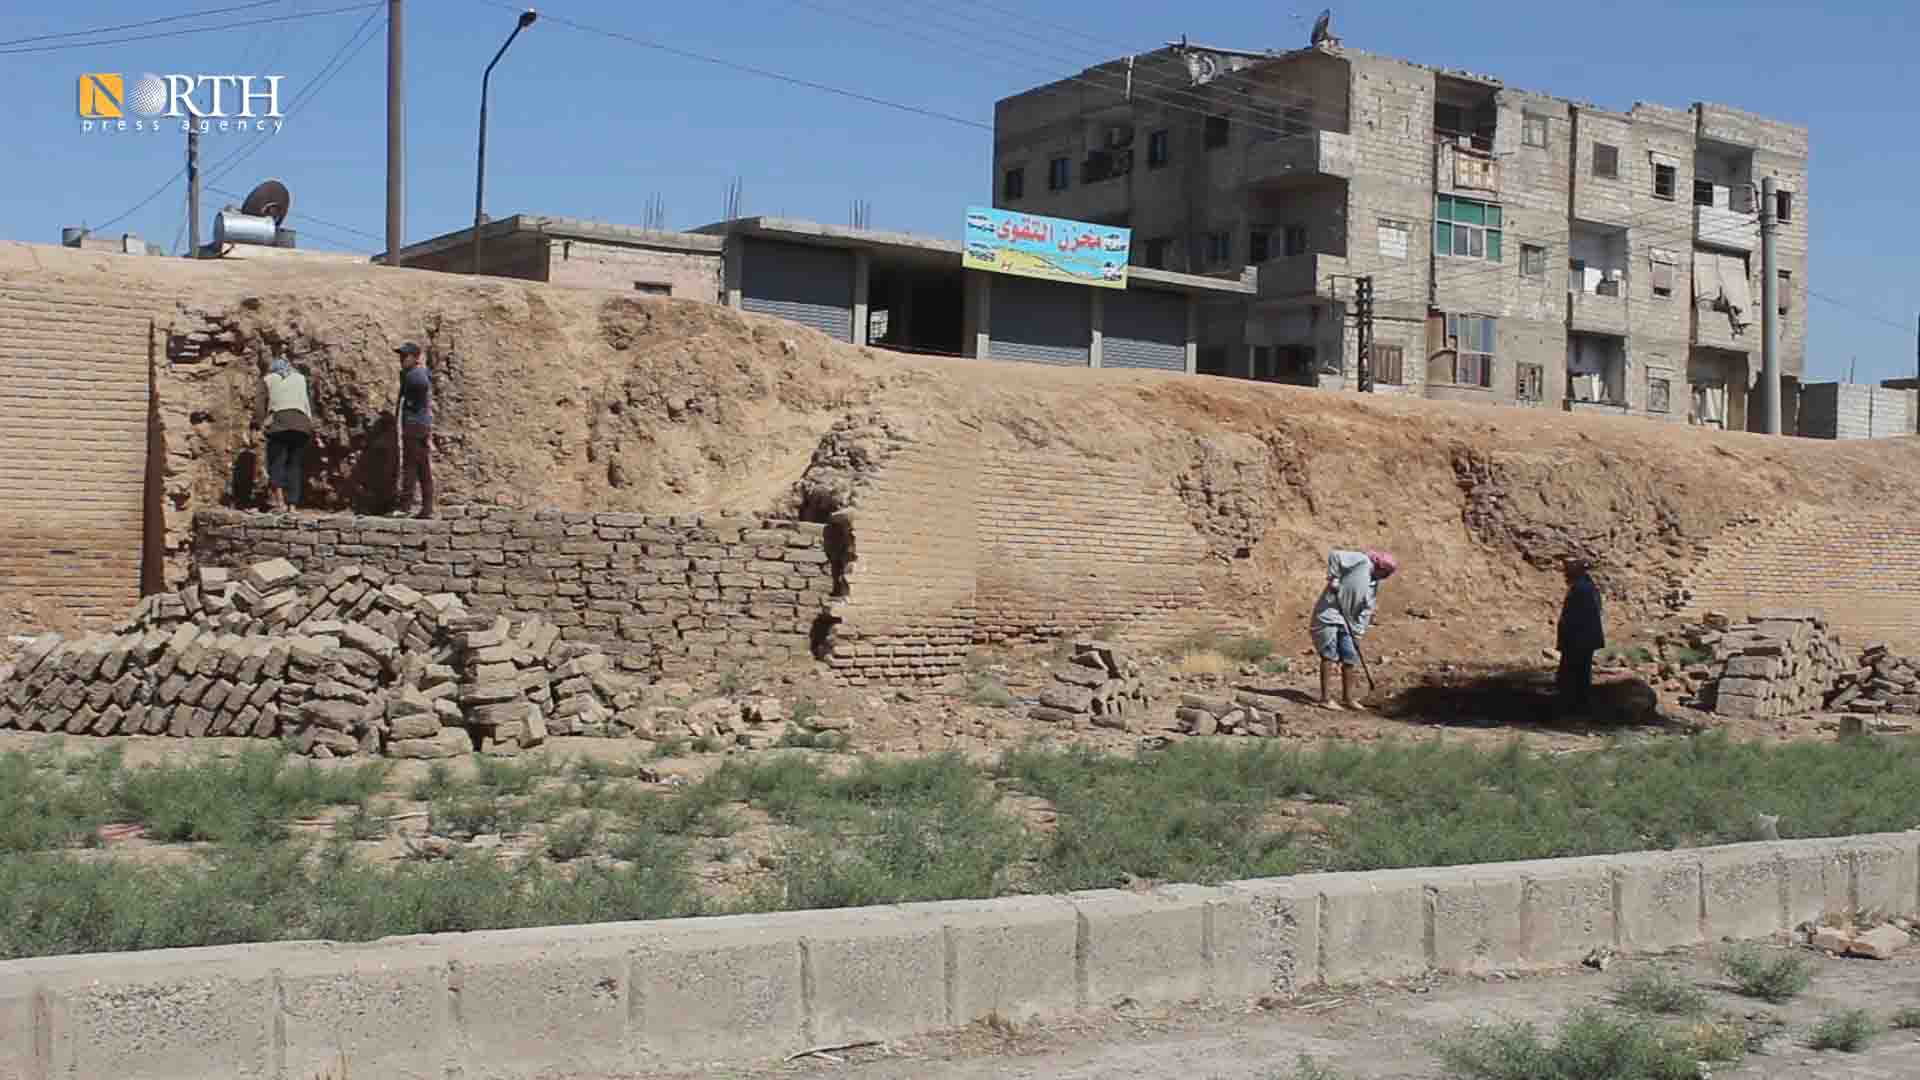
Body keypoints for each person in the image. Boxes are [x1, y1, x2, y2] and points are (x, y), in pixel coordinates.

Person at [1310, 548, 1397, 710]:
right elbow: (1335, 555)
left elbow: (1366, 611)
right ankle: (1325, 699)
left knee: (1350, 657)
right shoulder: (1362, 561)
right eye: (1385, 573)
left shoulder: (1373, 584)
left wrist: (1358, 632)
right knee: (1329, 655)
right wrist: (1334, 578)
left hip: (1349, 622)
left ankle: (1348, 698)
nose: (1386, 577)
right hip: (1330, 613)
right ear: (1380, 567)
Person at [254, 352, 313, 512]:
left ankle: (280, 503)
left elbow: (259, 404)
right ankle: (292, 506)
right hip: (302, 425)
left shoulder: (268, 379)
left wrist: (257, 424)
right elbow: (307, 403)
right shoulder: (300, 378)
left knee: (277, 462)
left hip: (280, 424)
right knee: (294, 465)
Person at [1556, 558, 1605, 716]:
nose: (1565, 573)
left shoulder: (1581, 589)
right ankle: (1577, 708)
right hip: (1582, 640)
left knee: (1573, 676)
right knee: (1580, 675)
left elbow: (1579, 618)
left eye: (1568, 570)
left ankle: (1574, 711)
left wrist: (1569, 639)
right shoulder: (1586, 587)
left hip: (1578, 641)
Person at [393, 341, 434, 519]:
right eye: (401, 356)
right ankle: (427, 507)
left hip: (414, 425)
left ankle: (405, 507)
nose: (402, 359)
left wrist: (412, 403)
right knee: (423, 467)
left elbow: (422, 385)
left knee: (410, 466)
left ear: (415, 357)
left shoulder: (415, 375)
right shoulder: (416, 373)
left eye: (405, 356)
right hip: (421, 425)